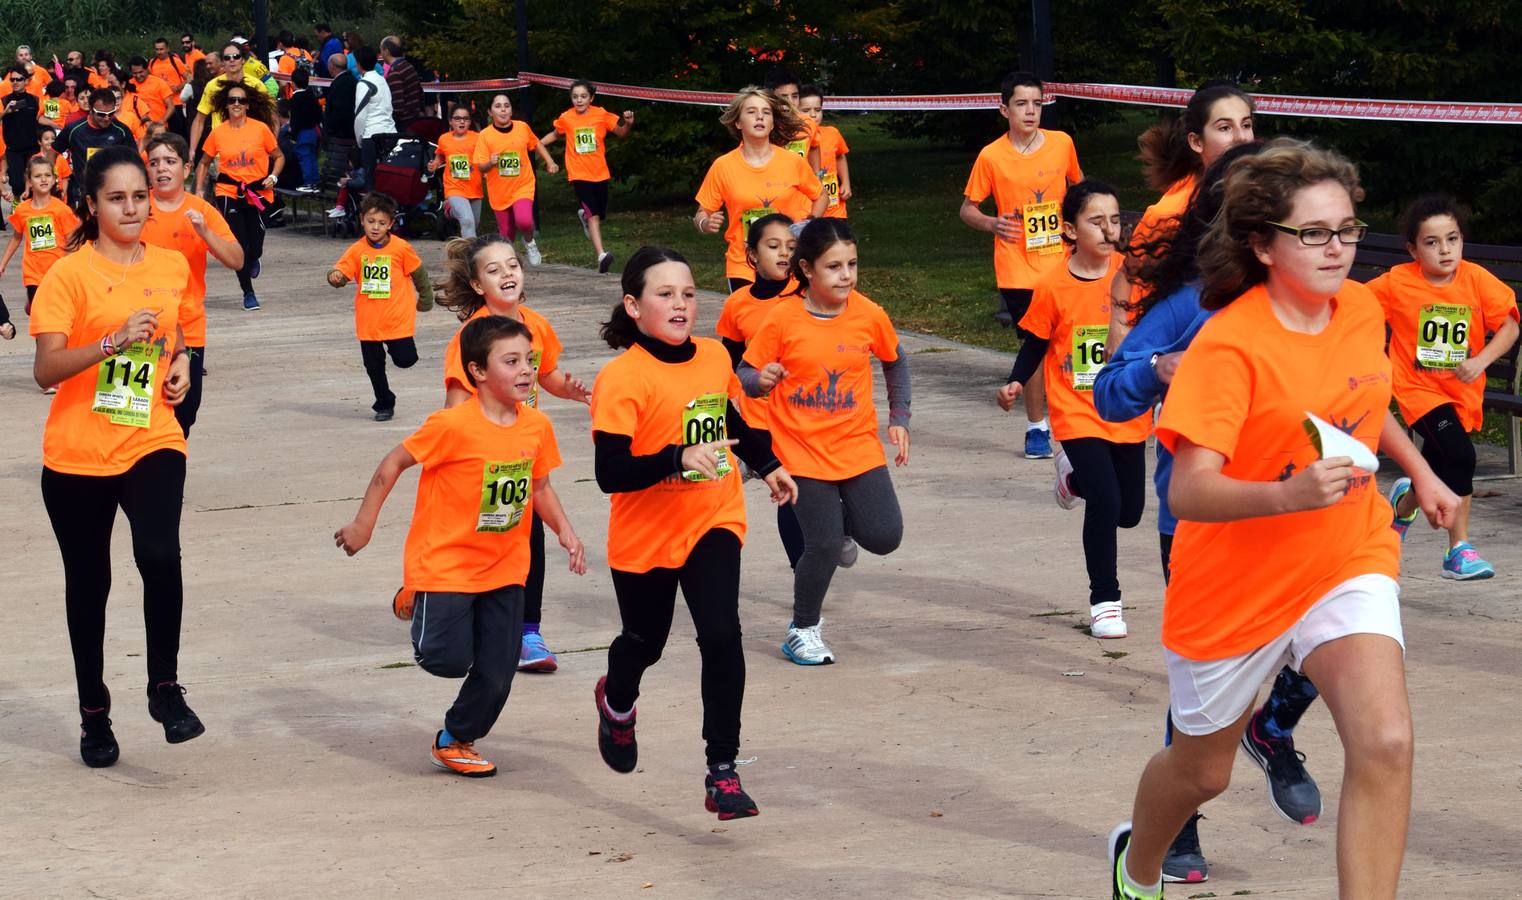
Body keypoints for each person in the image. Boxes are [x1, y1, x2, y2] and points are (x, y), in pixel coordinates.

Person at [1107, 139, 1460, 900]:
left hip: (1345, 553)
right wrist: (1287, 494)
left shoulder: (1361, 309)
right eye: (1315, 233)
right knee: (1203, 772)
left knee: (1387, 740)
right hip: (1236, 583)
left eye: (1348, 229)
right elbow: (1189, 492)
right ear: (1262, 244)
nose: (1338, 248)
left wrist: (1423, 471)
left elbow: (1368, 403)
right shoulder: (1229, 345)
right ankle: (1136, 869)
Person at [1095, 142, 1327, 886]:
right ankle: (1179, 824)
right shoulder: (1188, 304)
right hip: (1204, 527)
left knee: (1351, 641)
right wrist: (1156, 369)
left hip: (1310, 521)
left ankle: (1276, 724)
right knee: (1201, 703)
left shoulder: (1324, 301)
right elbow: (1108, 390)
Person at [591, 245, 797, 819]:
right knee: (644, 642)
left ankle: (722, 770)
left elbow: (731, 420)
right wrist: (678, 457)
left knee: (721, 635)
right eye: (664, 294)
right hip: (646, 533)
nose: (680, 304)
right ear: (633, 305)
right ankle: (617, 701)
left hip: (713, 516)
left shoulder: (712, 356)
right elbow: (611, 473)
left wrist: (770, 463)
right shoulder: (622, 377)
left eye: (687, 292)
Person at [335, 314, 585, 777]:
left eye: (529, 360)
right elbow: (392, 465)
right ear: (478, 372)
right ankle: (415, 598)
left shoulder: (535, 427)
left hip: (507, 566)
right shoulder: (451, 425)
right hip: (447, 564)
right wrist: (362, 525)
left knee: (499, 668)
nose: (526, 371)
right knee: (446, 658)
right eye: (511, 361)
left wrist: (564, 531)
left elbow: (541, 487)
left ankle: (455, 738)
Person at [29, 146, 205, 769]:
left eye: (138, 196)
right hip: (76, 453)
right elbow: (45, 371)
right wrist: (109, 343)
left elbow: (175, 331)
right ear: (93, 204)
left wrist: (179, 363)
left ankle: (164, 688)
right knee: (91, 585)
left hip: (151, 435)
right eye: (117, 198)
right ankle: (94, 713)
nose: (132, 207)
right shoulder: (67, 276)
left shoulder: (170, 262)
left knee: (160, 554)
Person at [738, 218, 909, 665]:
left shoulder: (869, 314)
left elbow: (896, 362)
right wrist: (762, 380)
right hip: (800, 451)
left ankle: (845, 518)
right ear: (807, 270)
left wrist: (900, 417)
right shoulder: (782, 318)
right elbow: (746, 374)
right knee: (825, 545)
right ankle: (802, 629)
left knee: (886, 536)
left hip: (856, 446)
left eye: (852, 264)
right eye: (834, 267)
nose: (846, 275)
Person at [997, 180, 1150, 640]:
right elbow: (1037, 343)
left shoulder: (1134, 275)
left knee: (1129, 512)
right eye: (1096, 221)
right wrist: (1016, 381)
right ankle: (1105, 600)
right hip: (1077, 410)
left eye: (1116, 219)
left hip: (1126, 408)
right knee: (1104, 501)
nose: (1109, 230)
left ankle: (1071, 479)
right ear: (1069, 229)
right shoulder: (1053, 285)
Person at [439, 235, 592, 671]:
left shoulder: (536, 325)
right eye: (494, 269)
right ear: (476, 284)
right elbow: (454, 402)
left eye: (512, 265)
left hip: (521, 457)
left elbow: (548, 375)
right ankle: (437, 597)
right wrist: (455, 454)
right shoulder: (472, 336)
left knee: (529, 543)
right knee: (477, 542)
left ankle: (528, 633)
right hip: (478, 460)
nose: (507, 273)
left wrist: (573, 391)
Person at [1371, 196, 1520, 580]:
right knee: (1460, 455)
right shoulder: (1397, 282)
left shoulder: (1475, 279)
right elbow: (1354, 306)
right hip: (1417, 390)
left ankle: (1403, 506)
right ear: (1413, 250)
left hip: (1462, 393)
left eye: (1452, 239)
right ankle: (1459, 549)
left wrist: (1481, 360)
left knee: (1439, 468)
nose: (1445, 250)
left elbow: (1510, 325)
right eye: (1432, 243)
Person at [960, 71, 1083, 461]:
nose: (1031, 111)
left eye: (1037, 103)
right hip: (1017, 268)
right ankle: (1037, 428)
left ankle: (1082, 420)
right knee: (1035, 344)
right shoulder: (991, 156)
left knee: (1074, 344)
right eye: (1022, 104)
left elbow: (1080, 191)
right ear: (1004, 109)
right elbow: (968, 209)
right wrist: (992, 223)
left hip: (1063, 263)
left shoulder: (1062, 144)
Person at [1109, 81, 1254, 353]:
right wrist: (1118, 327)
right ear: (1196, 141)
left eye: (1246, 125)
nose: (1241, 137)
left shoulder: (1271, 197)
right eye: (1225, 128)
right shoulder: (1171, 213)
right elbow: (1127, 276)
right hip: (1187, 351)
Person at [715, 214, 807, 568]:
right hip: (760, 420)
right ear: (751, 255)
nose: (783, 253)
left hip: (804, 415)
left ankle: (839, 528)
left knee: (809, 488)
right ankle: (803, 571)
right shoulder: (737, 305)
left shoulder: (804, 296)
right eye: (773, 246)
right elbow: (729, 361)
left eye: (790, 246)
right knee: (787, 491)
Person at [142, 132, 244, 436]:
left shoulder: (202, 212)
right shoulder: (135, 209)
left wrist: (205, 234)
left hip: (188, 328)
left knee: (184, 412)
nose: (161, 169)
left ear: (186, 169)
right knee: (138, 411)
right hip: (139, 328)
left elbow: (237, 259)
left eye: (170, 162)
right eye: (154, 163)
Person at [693, 86, 825, 292]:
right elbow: (701, 214)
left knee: (786, 323)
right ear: (738, 122)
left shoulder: (792, 162)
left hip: (787, 262)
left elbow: (821, 196)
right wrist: (705, 223)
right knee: (750, 323)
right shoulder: (723, 166)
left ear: (772, 123)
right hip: (743, 265)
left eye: (766, 113)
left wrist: (809, 225)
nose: (760, 118)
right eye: (751, 112)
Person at [327, 192, 426, 421]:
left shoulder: (401, 248)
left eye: (381, 223)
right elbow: (341, 270)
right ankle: (384, 403)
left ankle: (397, 353)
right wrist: (336, 277)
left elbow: (418, 273)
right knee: (373, 365)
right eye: (371, 222)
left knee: (405, 359)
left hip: (396, 318)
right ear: (362, 220)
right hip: (369, 320)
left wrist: (426, 297)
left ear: (391, 223)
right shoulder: (357, 249)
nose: (375, 227)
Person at [194, 81, 280, 311]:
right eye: (232, 100)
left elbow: (279, 156)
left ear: (248, 104)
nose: (236, 104)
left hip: (258, 192)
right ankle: (248, 293)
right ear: (226, 104)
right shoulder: (218, 132)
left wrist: (274, 176)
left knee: (256, 245)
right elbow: (203, 163)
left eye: (241, 100)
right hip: (228, 191)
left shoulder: (261, 129)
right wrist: (199, 190)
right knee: (239, 245)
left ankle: (254, 257)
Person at [539, 79, 634, 273]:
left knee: (600, 214)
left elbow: (621, 133)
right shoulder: (567, 117)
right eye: (575, 97)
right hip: (579, 173)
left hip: (599, 172)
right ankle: (601, 255)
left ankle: (584, 216)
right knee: (594, 216)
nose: (579, 100)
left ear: (591, 98)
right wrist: (536, 144)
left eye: (583, 96)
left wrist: (628, 124)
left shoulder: (601, 114)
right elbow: (555, 134)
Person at [472, 92, 557, 266]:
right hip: (499, 190)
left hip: (522, 184)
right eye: (498, 106)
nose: (503, 110)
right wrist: (490, 163)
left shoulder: (522, 127)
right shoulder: (485, 135)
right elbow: (480, 166)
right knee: (506, 234)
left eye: (506, 105)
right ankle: (510, 265)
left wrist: (550, 161)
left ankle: (529, 242)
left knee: (524, 220)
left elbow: (536, 144)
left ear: (511, 110)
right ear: (490, 112)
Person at [0, 154, 79, 341]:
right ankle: (44, 350)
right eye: (37, 176)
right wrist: (2, 263)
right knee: (41, 321)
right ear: (29, 181)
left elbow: (73, 242)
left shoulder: (61, 210)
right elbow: (16, 238)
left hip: (58, 273)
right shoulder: (22, 210)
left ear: (53, 179)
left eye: (47, 175)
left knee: (60, 318)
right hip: (34, 274)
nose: (43, 179)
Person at [54, 88, 136, 207]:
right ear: (91, 109)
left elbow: (134, 161)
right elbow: (53, 152)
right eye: (101, 114)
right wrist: (53, 178)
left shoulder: (122, 130)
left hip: (114, 192)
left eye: (111, 113)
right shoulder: (73, 129)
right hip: (83, 192)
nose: (107, 118)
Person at [187, 42, 266, 153]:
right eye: (227, 58)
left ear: (243, 60)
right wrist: (192, 151)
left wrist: (271, 147)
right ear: (223, 62)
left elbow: (271, 117)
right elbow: (199, 120)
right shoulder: (212, 86)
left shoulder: (257, 85)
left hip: (251, 151)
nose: (232, 60)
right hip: (221, 151)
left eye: (236, 56)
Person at [796, 85, 850, 219]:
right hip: (808, 208)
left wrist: (846, 182)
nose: (813, 115)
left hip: (835, 210)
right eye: (806, 110)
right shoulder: (793, 139)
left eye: (818, 110)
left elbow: (840, 156)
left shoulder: (832, 133)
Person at [430, 104, 482, 238]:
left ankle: (449, 211)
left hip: (474, 187)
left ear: (470, 122)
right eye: (458, 118)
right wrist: (435, 164)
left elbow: (485, 156)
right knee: (467, 221)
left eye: (466, 118)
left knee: (474, 223)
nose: (462, 121)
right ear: (450, 121)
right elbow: (441, 155)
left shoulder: (478, 138)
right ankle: (470, 255)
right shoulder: (444, 139)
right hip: (454, 187)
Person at [353, 45, 396, 186]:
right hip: (390, 133)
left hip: (371, 136)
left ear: (359, 64)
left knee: (371, 179)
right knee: (386, 178)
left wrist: (359, 139)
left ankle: (373, 207)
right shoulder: (382, 80)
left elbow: (360, 115)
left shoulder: (364, 83)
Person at [762, 69, 820, 170]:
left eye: (795, 96)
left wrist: (817, 176)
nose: (790, 102)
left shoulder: (808, 123)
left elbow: (814, 147)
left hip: (800, 183)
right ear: (769, 97)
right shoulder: (761, 124)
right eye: (783, 97)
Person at [2, 65, 41, 199]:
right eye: (12, 80)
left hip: (33, 148)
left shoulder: (35, 100)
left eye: (19, 79)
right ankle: (19, 210)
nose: (15, 82)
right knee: (17, 183)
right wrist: (6, 111)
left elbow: (42, 119)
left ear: (26, 81)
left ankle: (32, 211)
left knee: (35, 182)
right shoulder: (4, 100)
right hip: (14, 149)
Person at [286, 67, 321, 191]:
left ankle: (307, 183)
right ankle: (315, 182)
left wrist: (293, 136)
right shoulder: (311, 95)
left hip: (302, 133)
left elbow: (296, 120)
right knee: (312, 157)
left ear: (293, 83)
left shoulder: (295, 99)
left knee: (304, 158)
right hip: (313, 131)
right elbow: (318, 113)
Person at [379, 37, 424, 129]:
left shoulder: (395, 72)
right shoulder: (408, 66)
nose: (381, 55)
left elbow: (398, 104)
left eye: (381, 51)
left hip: (404, 122)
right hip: (415, 117)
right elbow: (420, 92)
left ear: (386, 51)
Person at [126, 58, 178, 128]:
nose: (138, 76)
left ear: (147, 69)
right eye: (135, 73)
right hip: (137, 130)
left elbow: (171, 106)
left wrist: (162, 121)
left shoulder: (159, 83)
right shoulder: (129, 84)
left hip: (157, 128)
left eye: (141, 72)